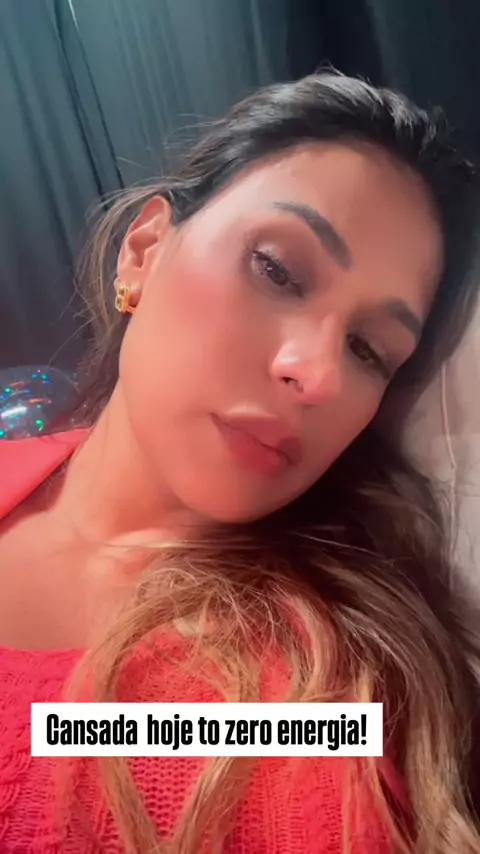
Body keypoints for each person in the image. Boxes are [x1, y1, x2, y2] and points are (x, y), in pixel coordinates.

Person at [0, 71, 479, 854]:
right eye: (277, 270)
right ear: (143, 252)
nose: (318, 376)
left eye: (369, 351)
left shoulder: (307, 708)